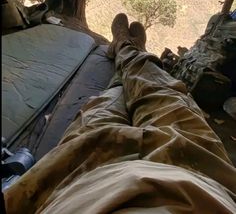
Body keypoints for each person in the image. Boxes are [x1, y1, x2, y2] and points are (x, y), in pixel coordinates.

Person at [4, 14, 236, 213]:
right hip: (199, 172)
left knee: (104, 106)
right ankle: (130, 52)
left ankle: (123, 52)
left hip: (82, 178)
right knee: (163, 92)